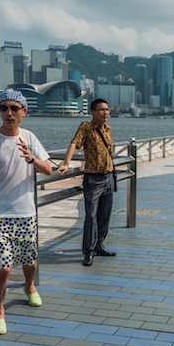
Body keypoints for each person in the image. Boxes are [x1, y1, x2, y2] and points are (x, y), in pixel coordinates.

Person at [0, 89, 52, 335]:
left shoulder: (29, 138)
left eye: (14, 108)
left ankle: (29, 286)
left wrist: (32, 160)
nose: (8, 113)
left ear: (23, 112)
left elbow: (49, 169)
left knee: (29, 261)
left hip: (25, 213)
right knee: (4, 267)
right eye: (4, 108)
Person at [57, 99, 117, 267]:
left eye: (107, 109)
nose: (105, 112)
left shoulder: (107, 129)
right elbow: (74, 144)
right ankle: (88, 252)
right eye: (101, 110)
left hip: (109, 177)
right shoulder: (85, 127)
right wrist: (66, 163)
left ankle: (99, 245)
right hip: (93, 179)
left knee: (105, 214)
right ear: (92, 112)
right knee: (91, 216)